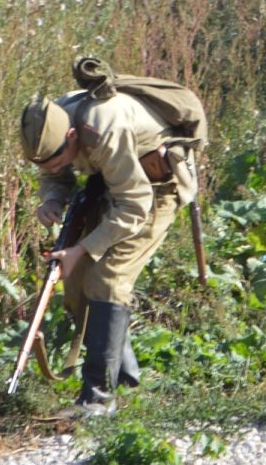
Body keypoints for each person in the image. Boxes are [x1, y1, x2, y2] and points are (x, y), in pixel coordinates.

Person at [18, 59, 202, 418]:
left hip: (156, 186)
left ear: (72, 137)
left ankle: (98, 400)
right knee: (76, 284)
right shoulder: (55, 122)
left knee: (109, 278)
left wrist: (83, 248)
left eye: (57, 163)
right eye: (44, 165)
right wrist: (52, 198)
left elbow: (135, 204)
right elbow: (53, 172)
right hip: (113, 181)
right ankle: (125, 381)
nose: (53, 170)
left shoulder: (104, 128)